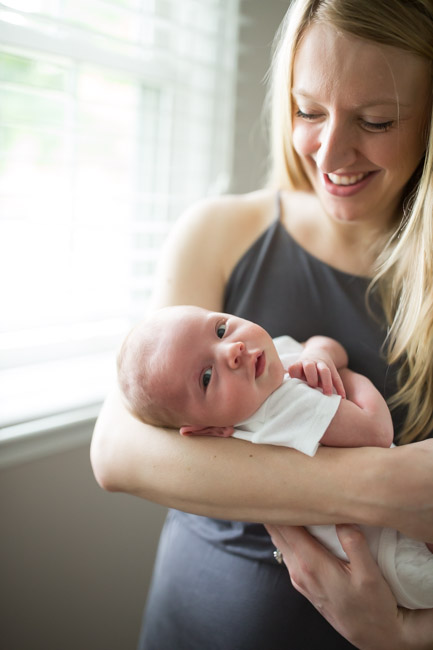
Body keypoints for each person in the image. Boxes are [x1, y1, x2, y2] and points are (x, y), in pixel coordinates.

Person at [90, 0, 433, 647]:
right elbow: (118, 452)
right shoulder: (219, 231)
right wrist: (382, 486)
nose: (328, 151)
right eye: (307, 110)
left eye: (375, 119)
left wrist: (402, 639)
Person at [117, 303, 433, 610]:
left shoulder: (267, 360)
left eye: (221, 328)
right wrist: (346, 374)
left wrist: (318, 354)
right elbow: (377, 431)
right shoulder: (278, 411)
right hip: (398, 558)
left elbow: (320, 344)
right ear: (209, 430)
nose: (232, 350)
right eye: (206, 377)